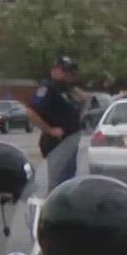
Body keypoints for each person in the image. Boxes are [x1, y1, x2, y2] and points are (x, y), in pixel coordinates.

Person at [25, 56, 87, 187]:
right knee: (59, 184)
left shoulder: (67, 89)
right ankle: (54, 206)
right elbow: (31, 112)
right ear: (55, 70)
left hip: (70, 143)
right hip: (58, 144)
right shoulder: (48, 88)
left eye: (71, 71)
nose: (69, 74)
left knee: (68, 182)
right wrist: (49, 130)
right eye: (66, 71)